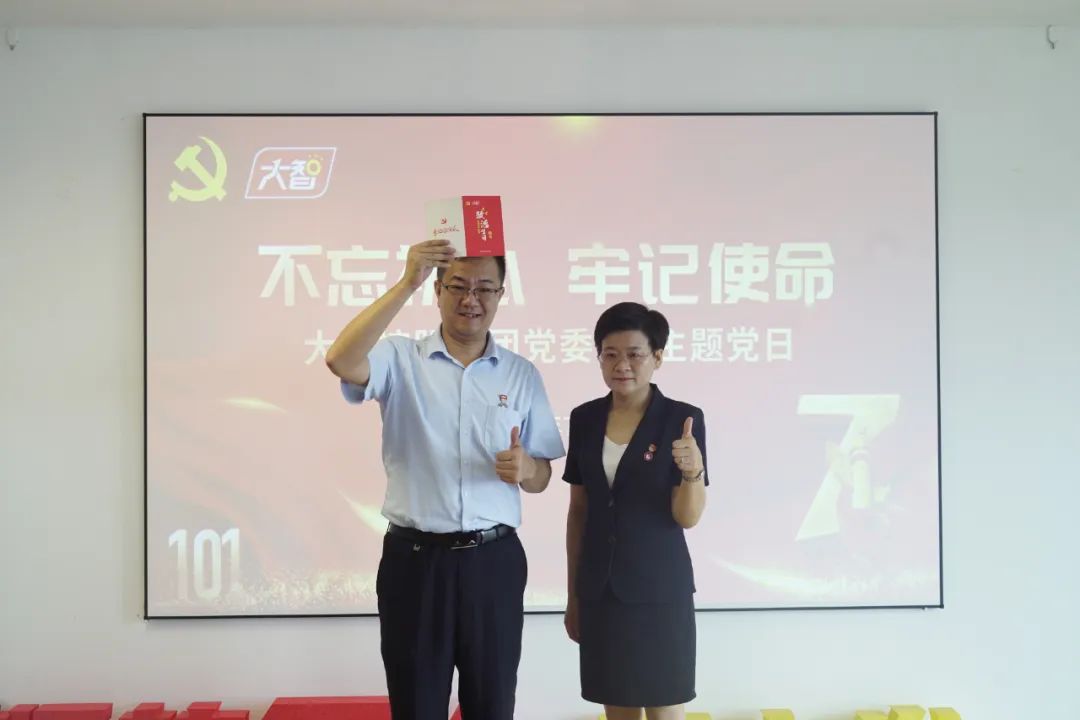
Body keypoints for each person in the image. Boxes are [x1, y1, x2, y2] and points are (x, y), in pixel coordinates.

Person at [326, 238, 565, 720]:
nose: (470, 299)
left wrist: (528, 469)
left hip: (493, 563)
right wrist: (405, 282)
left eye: (484, 288)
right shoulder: (400, 359)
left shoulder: (520, 374)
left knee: (492, 706)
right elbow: (341, 360)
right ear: (437, 290)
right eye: (457, 286)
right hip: (415, 564)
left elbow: (542, 475)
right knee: (417, 707)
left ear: (500, 295)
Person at [563, 302, 709, 720]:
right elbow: (579, 511)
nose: (621, 365)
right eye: (610, 354)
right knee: (618, 711)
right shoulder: (585, 418)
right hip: (601, 591)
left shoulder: (682, 419)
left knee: (665, 708)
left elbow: (687, 517)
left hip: (660, 591)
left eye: (634, 354)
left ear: (657, 357)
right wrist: (574, 595)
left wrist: (692, 472)